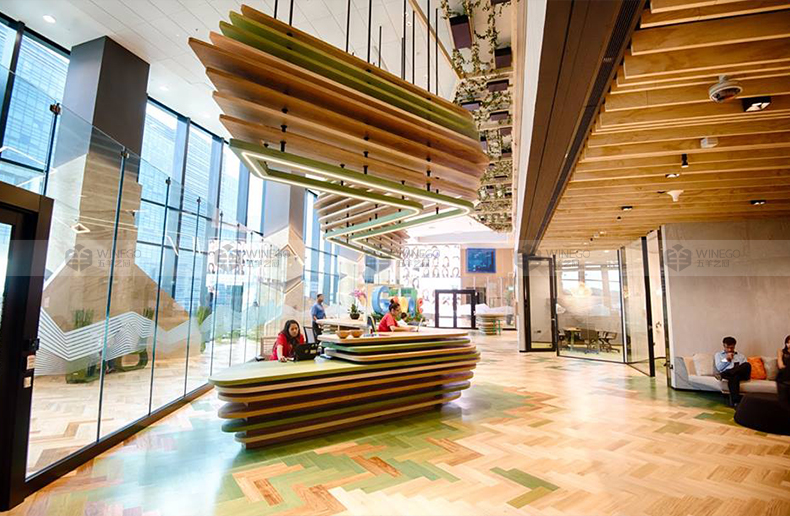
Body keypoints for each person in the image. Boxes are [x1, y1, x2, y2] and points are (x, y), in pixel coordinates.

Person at [715, 336, 751, 406]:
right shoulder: (719, 355)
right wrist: (727, 359)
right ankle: (736, 402)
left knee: (747, 365)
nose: (729, 349)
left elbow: (745, 369)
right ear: (724, 345)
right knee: (734, 377)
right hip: (732, 376)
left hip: (741, 375)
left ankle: (723, 374)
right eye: (727, 347)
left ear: (734, 346)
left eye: (731, 348)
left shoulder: (740, 356)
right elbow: (719, 367)